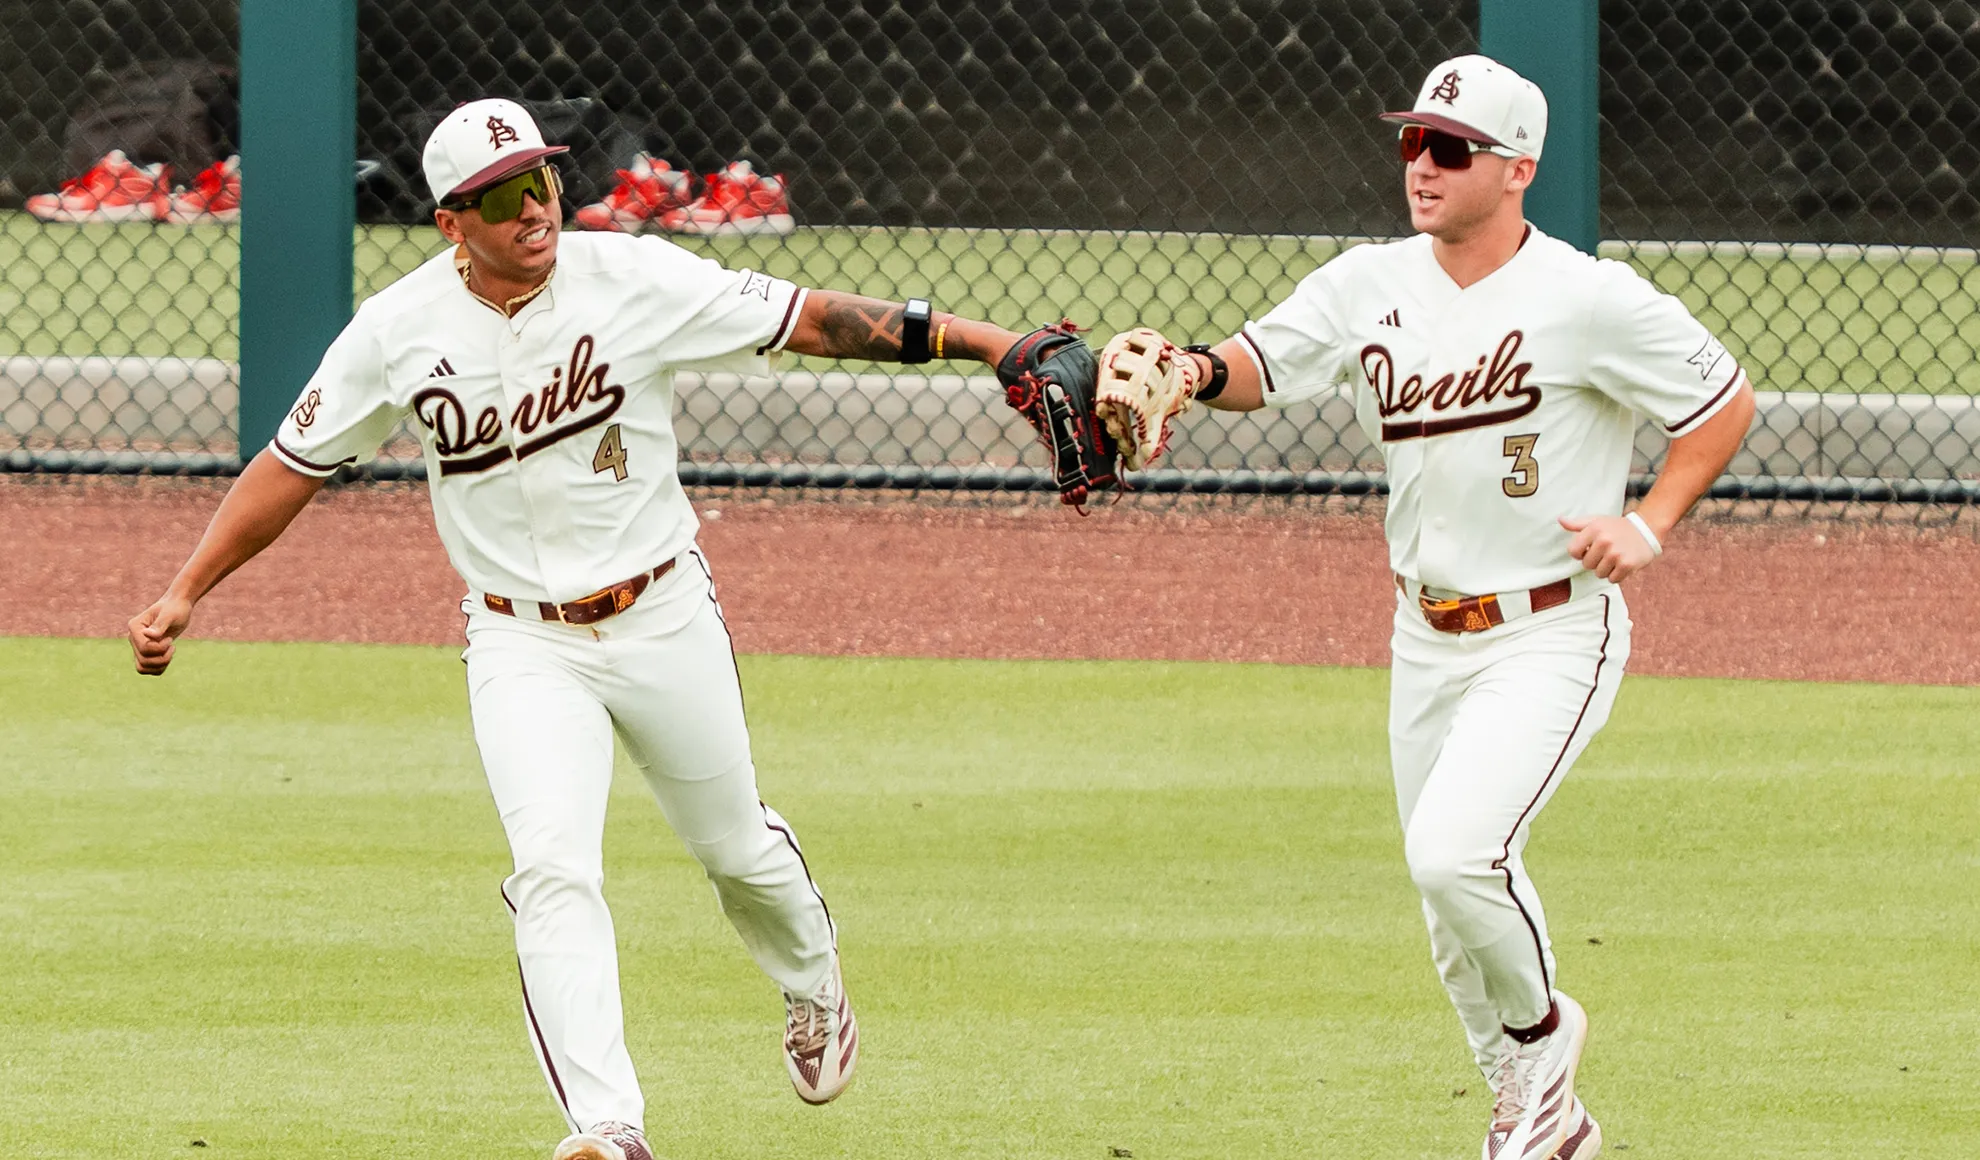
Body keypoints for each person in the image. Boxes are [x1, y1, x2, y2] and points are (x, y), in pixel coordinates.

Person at [127, 98, 1035, 1160]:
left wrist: (990, 341)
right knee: (552, 865)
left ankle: (813, 978)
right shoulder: (398, 329)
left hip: (662, 611)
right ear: (451, 223)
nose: (534, 211)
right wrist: (189, 586)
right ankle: (608, 1126)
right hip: (520, 641)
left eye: (544, 182)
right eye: (502, 197)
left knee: (736, 850)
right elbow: (293, 461)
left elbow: (808, 316)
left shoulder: (632, 276)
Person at [1114, 55, 1755, 1160]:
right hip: (1425, 632)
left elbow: (1724, 400)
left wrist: (1649, 520)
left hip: (1552, 627)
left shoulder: (1586, 298)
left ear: (1518, 170)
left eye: (1447, 148)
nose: (1420, 164)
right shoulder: (1368, 283)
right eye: (1411, 141)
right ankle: (1533, 1111)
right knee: (1447, 912)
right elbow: (1261, 363)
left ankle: (1546, 1045)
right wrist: (1185, 370)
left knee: (1458, 855)